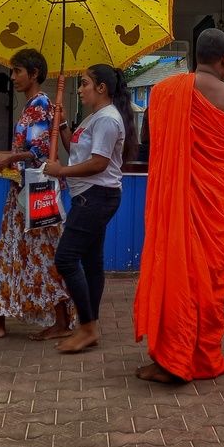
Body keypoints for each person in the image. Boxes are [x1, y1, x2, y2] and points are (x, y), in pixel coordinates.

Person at [133, 29, 224, 383]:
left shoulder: (163, 92)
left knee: (173, 271)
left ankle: (169, 357)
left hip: (174, 203)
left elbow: (148, 140)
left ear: (197, 56)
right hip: (212, 209)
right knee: (206, 280)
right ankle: (199, 358)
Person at [0, 48, 73, 340]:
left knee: (42, 255)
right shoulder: (37, 105)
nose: (12, 77)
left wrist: (9, 159)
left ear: (33, 74)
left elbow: (37, 153)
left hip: (34, 194)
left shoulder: (39, 104)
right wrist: (2, 156)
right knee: (10, 253)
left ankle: (61, 320)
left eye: (17, 71)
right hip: (24, 192)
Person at [43, 64, 136, 354]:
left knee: (67, 259)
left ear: (101, 88)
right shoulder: (95, 118)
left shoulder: (107, 119)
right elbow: (79, 150)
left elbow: (99, 163)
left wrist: (61, 170)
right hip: (91, 197)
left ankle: (87, 326)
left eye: (84, 84)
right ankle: (89, 324)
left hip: (96, 197)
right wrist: (61, 126)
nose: (80, 89)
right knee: (92, 262)